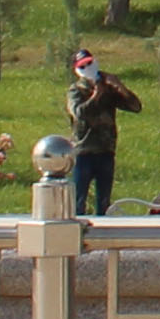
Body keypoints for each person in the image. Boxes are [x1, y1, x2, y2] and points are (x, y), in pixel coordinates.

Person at [64, 48, 139, 217]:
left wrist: (119, 86)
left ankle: (102, 235)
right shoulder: (76, 90)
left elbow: (135, 107)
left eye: (90, 63)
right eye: (83, 65)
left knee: (104, 202)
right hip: (84, 151)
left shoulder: (108, 88)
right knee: (78, 200)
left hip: (106, 150)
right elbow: (79, 113)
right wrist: (96, 96)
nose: (88, 67)